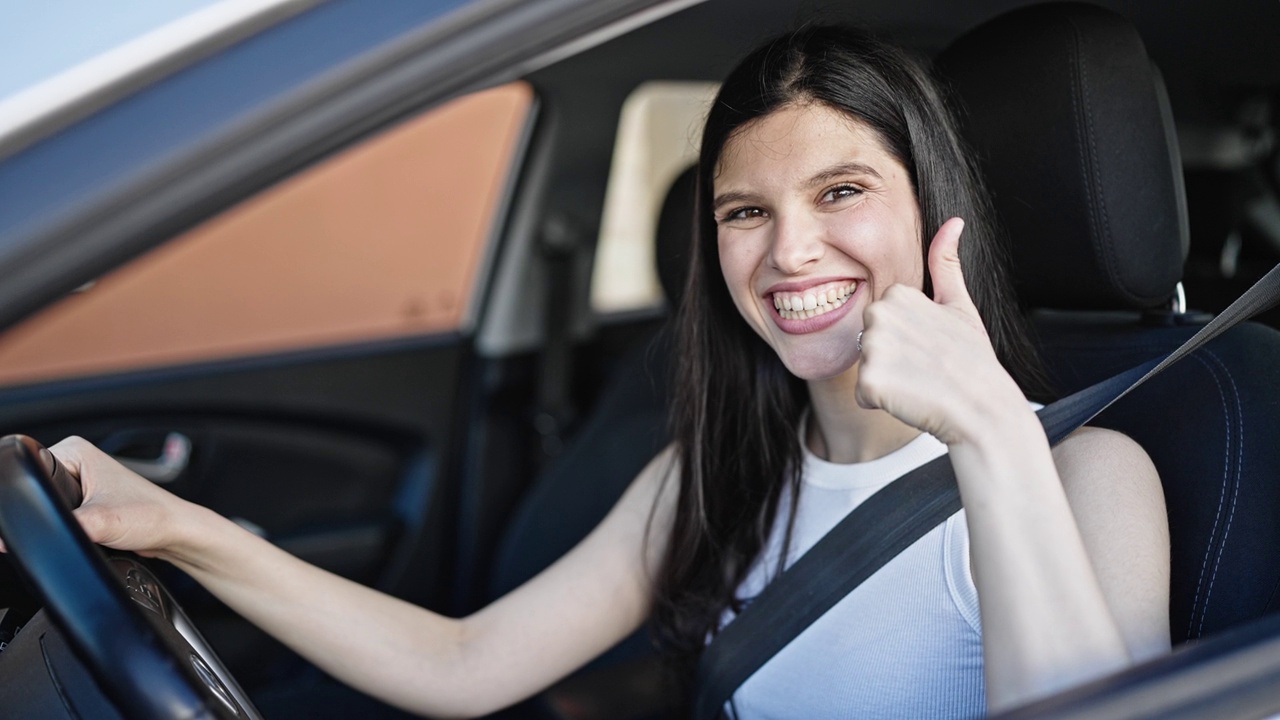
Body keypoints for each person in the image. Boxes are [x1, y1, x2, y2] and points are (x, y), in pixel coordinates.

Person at [42, 25, 1169, 719]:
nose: (787, 252)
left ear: (934, 210)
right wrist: (179, 529)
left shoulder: (1088, 477)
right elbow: (467, 663)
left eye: (839, 193)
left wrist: (987, 432)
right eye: (744, 211)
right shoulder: (719, 474)